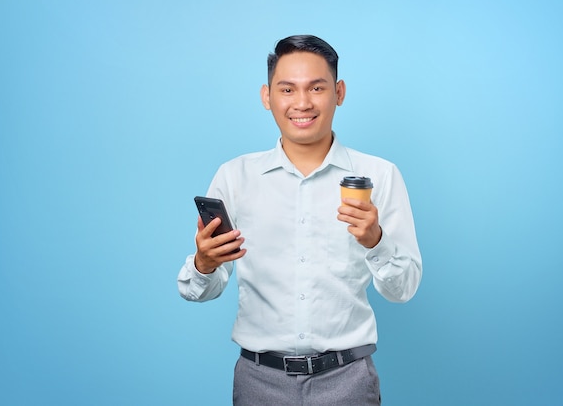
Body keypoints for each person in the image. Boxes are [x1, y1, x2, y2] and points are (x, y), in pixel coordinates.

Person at [177, 34, 422, 405]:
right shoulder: (235, 176)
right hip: (259, 383)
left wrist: (376, 240)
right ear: (267, 96)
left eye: (317, 88)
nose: (302, 103)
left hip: (348, 382)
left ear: (339, 92)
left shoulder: (380, 175)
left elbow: (402, 290)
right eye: (287, 89)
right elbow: (196, 290)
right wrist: (204, 264)